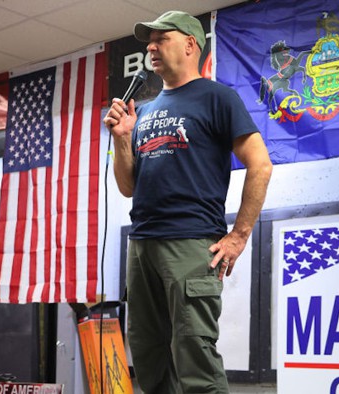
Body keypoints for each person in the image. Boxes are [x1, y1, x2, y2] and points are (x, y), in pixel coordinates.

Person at [103, 10, 273, 394]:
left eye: (162, 39)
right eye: (150, 41)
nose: (151, 46)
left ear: (190, 44)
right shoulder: (143, 110)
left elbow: (260, 166)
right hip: (143, 244)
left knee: (194, 354)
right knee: (148, 357)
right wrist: (122, 138)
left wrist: (239, 235)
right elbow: (128, 188)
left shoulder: (217, 98)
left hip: (191, 243)